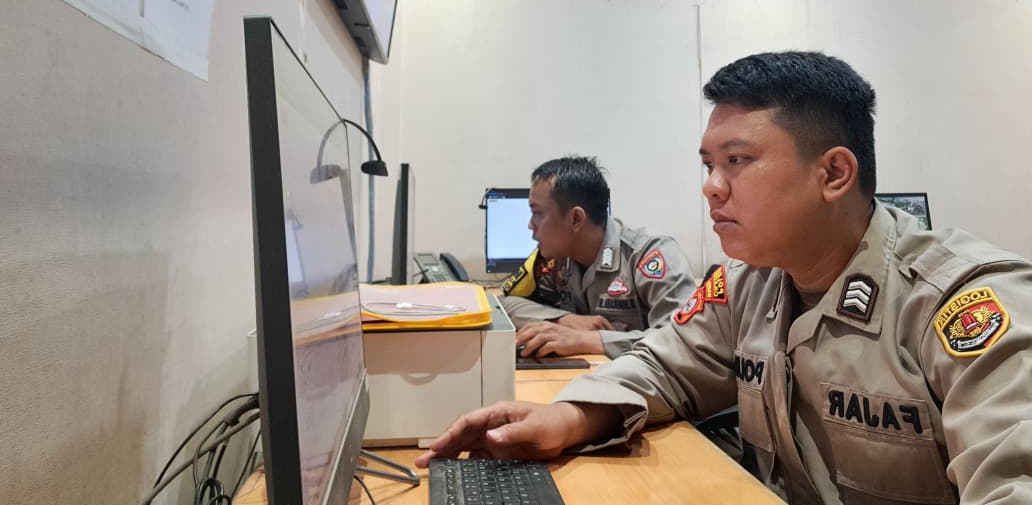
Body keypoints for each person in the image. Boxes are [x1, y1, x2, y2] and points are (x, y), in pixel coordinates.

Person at [417, 52, 1032, 504]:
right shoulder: (748, 284)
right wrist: (567, 419)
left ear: (834, 174)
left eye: (737, 161)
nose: (711, 187)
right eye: (709, 164)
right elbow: (662, 364)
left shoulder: (963, 306)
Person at [499, 156, 697, 359]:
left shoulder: (648, 255)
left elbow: (682, 339)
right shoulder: (555, 259)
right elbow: (501, 306)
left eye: (537, 213)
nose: (530, 225)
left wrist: (589, 340)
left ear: (576, 219)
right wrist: (563, 319)